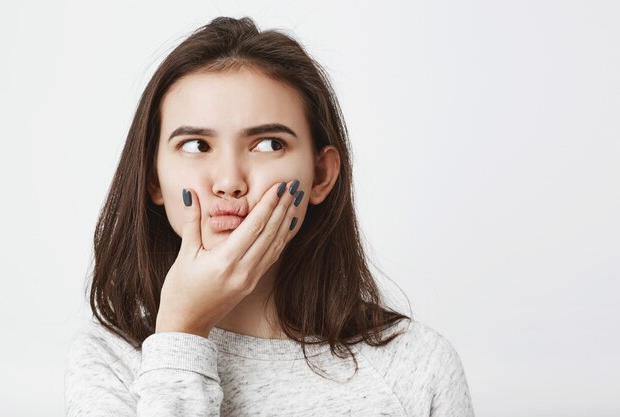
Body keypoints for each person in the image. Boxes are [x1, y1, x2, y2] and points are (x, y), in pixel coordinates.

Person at [64, 16, 475, 417]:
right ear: (153, 178)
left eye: (268, 145)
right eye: (195, 146)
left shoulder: (417, 366)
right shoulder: (110, 360)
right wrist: (180, 333)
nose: (228, 182)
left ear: (321, 175)